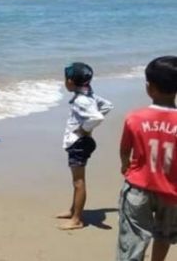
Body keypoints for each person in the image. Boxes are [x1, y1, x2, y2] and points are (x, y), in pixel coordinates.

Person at [117, 56, 177, 261]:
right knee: (164, 234)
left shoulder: (135, 118)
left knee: (132, 240)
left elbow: (125, 150)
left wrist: (125, 166)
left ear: (149, 87)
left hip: (138, 187)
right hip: (172, 191)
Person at [57, 62, 113, 230]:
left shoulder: (82, 100)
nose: (64, 82)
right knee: (77, 181)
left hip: (78, 143)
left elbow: (97, 117)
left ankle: (77, 219)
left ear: (71, 82)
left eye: (65, 79)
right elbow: (108, 106)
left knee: (78, 182)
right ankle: (73, 210)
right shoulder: (88, 95)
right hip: (81, 142)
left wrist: (84, 129)